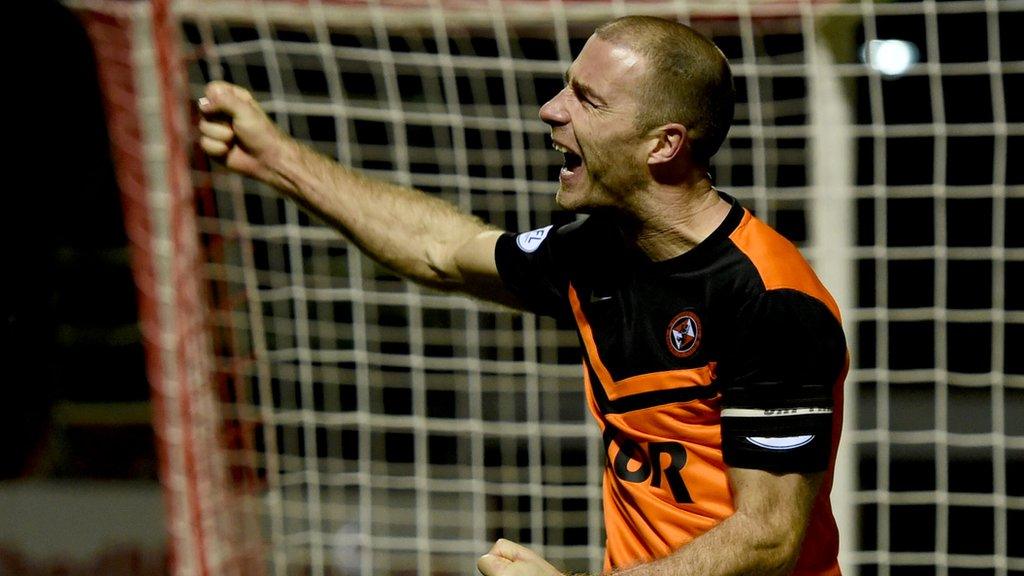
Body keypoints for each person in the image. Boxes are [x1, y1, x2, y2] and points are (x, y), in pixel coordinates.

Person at [198, 15, 847, 576]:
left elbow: (767, 540)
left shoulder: (770, 301)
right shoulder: (595, 251)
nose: (551, 109)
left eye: (586, 100)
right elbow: (441, 251)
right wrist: (274, 157)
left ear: (664, 144)